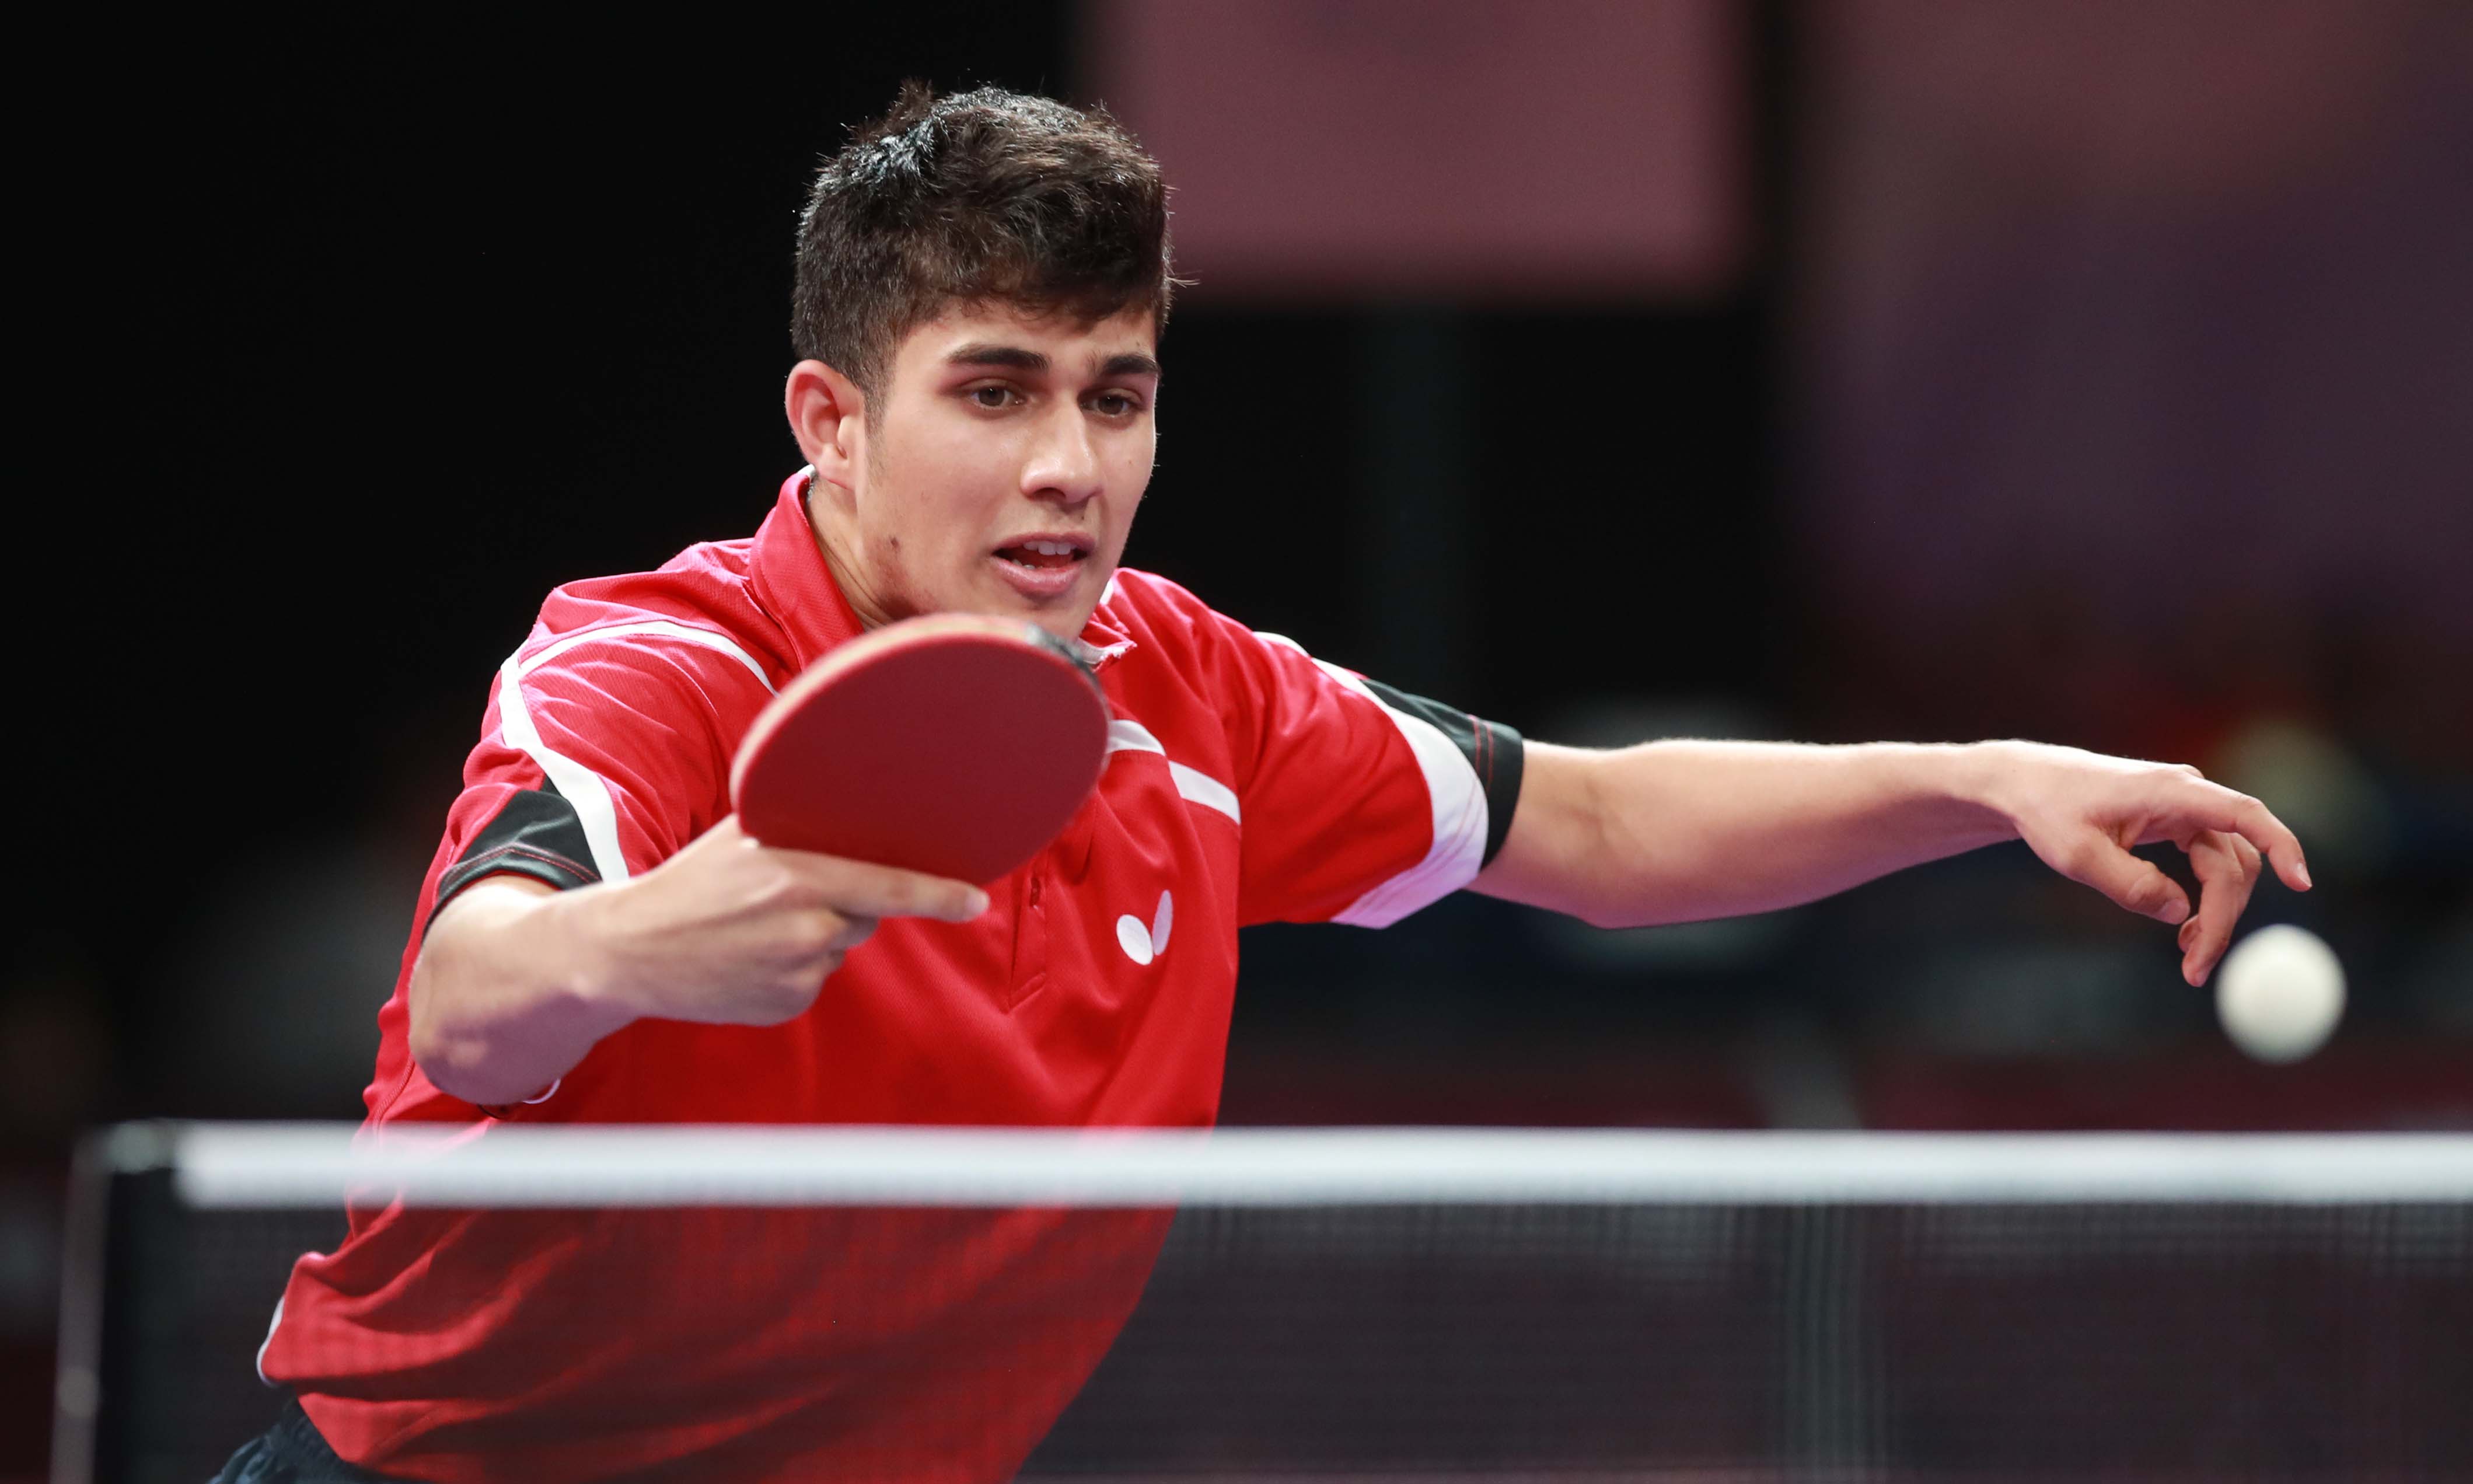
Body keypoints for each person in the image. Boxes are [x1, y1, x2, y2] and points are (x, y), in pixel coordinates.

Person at [219, 83, 2308, 1483]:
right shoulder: (657, 668)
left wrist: (1987, 779)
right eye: (994, 392)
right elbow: (479, 996)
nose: (1070, 466)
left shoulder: (1192, 695)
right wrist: (642, 943)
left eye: (1116, 394)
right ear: (830, 422)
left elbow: (1590, 826)